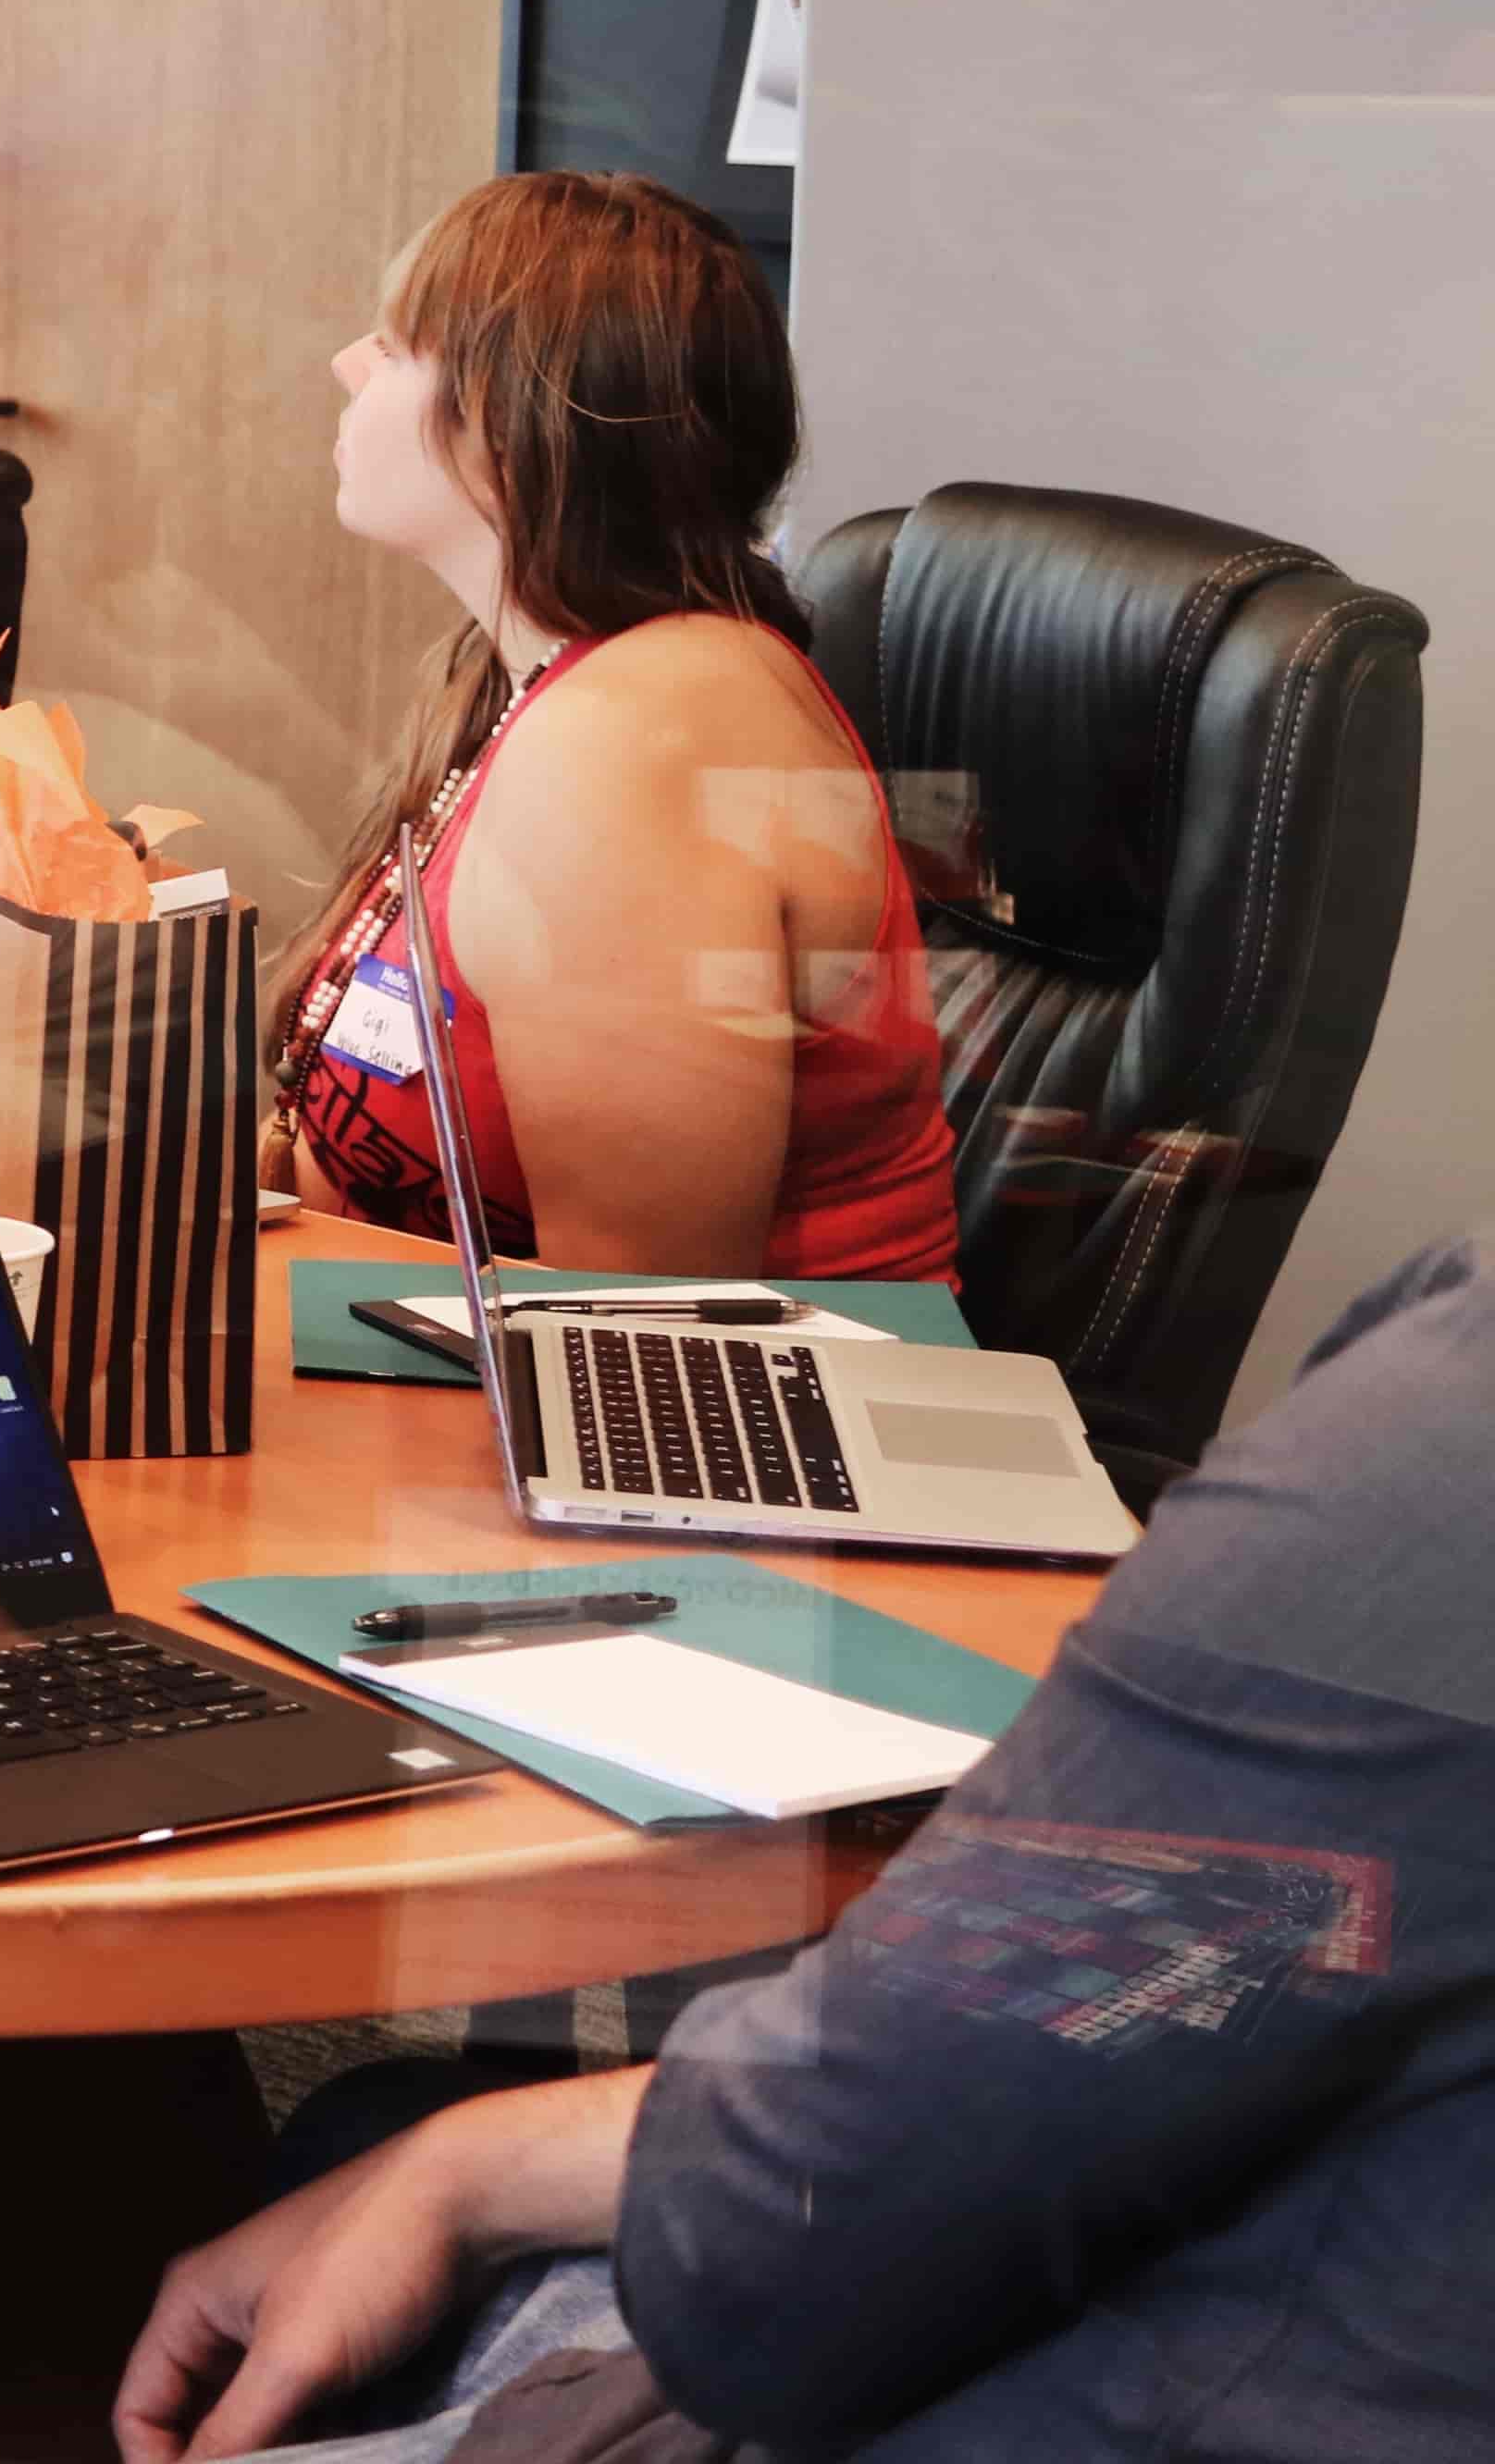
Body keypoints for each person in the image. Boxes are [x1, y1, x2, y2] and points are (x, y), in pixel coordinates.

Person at [116, 1231, 1495, 2463]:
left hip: (1032, 2387)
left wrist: (469, 2174)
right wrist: (462, 2164)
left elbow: (780, 2288)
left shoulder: (1453, 1437)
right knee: (367, 2128)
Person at [270, 172, 957, 1282]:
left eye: (399, 348)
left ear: (511, 420)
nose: (348, 365)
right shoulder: (529, 678)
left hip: (733, 1429)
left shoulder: (640, 735)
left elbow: (636, 1326)